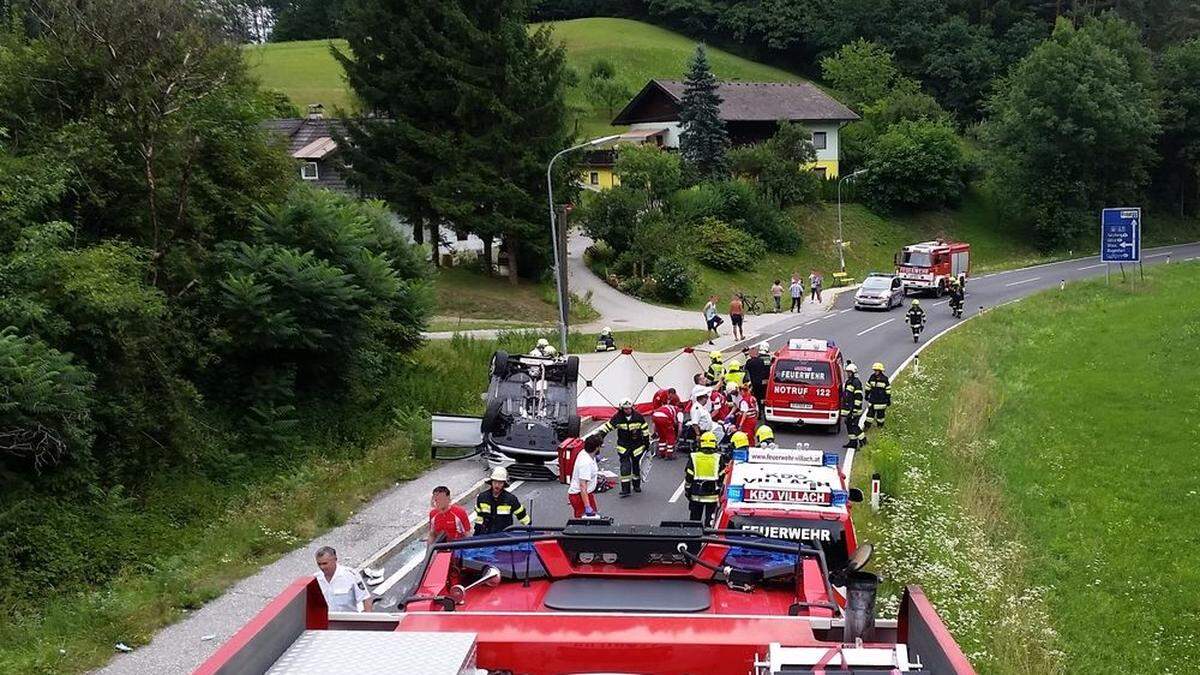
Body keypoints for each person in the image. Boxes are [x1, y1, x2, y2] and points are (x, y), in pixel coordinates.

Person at [593, 398, 649, 497]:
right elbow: (608, 427)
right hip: (624, 446)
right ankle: (625, 489)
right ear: (621, 408)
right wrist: (600, 437)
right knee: (625, 467)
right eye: (625, 409)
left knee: (636, 466)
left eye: (629, 408)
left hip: (637, 446)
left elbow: (645, 429)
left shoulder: (638, 417)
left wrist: (647, 443)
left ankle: (636, 485)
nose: (628, 410)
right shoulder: (617, 418)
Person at [314, 546, 373, 612]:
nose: (322, 567)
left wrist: (367, 619)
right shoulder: (315, 579)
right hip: (325, 620)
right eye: (319, 564)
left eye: (325, 563)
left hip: (347, 620)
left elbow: (366, 598)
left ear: (335, 559)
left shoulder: (351, 575)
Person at [685, 431, 727, 525]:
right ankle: (708, 539)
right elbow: (722, 476)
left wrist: (687, 490)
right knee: (710, 523)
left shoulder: (694, 456)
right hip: (713, 496)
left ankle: (693, 538)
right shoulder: (718, 458)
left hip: (696, 495)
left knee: (694, 523)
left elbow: (689, 475)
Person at [474, 467, 530, 535]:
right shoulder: (482, 497)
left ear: (504, 483)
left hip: (504, 537)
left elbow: (522, 516)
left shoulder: (511, 499)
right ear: (491, 482)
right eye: (495, 482)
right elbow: (479, 516)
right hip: (486, 535)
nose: (497, 485)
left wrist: (530, 529)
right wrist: (477, 531)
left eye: (500, 483)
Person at [568, 435, 602, 517]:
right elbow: (583, 486)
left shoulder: (584, 452)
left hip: (584, 495)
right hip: (580, 496)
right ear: (596, 448)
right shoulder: (586, 463)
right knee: (585, 523)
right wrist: (587, 506)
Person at [841, 363, 866, 450]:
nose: (848, 374)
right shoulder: (849, 381)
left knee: (854, 426)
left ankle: (864, 441)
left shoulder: (856, 382)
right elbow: (846, 395)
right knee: (848, 424)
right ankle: (853, 442)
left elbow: (858, 397)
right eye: (847, 372)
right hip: (849, 409)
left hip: (855, 409)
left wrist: (855, 409)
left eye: (849, 372)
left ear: (853, 372)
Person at [744, 341, 772, 419]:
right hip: (766, 382)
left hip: (755, 382)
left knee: (757, 397)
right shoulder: (769, 359)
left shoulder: (757, 359)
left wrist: (747, 354)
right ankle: (764, 411)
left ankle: (759, 412)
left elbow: (747, 367)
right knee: (764, 397)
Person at [651, 392, 681, 459]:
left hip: (655, 416)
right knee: (670, 436)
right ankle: (669, 454)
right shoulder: (678, 411)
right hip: (664, 418)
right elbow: (680, 427)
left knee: (662, 436)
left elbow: (654, 423)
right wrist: (678, 437)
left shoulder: (664, 407)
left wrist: (655, 432)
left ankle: (662, 453)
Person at [864, 362, 891, 429]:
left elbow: (888, 390)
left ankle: (880, 427)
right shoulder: (872, 377)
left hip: (882, 401)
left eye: (877, 370)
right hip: (873, 401)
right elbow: (868, 387)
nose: (876, 372)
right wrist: (866, 395)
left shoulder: (885, 379)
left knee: (880, 416)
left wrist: (888, 400)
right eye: (875, 370)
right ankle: (866, 427)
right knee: (869, 416)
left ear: (880, 371)